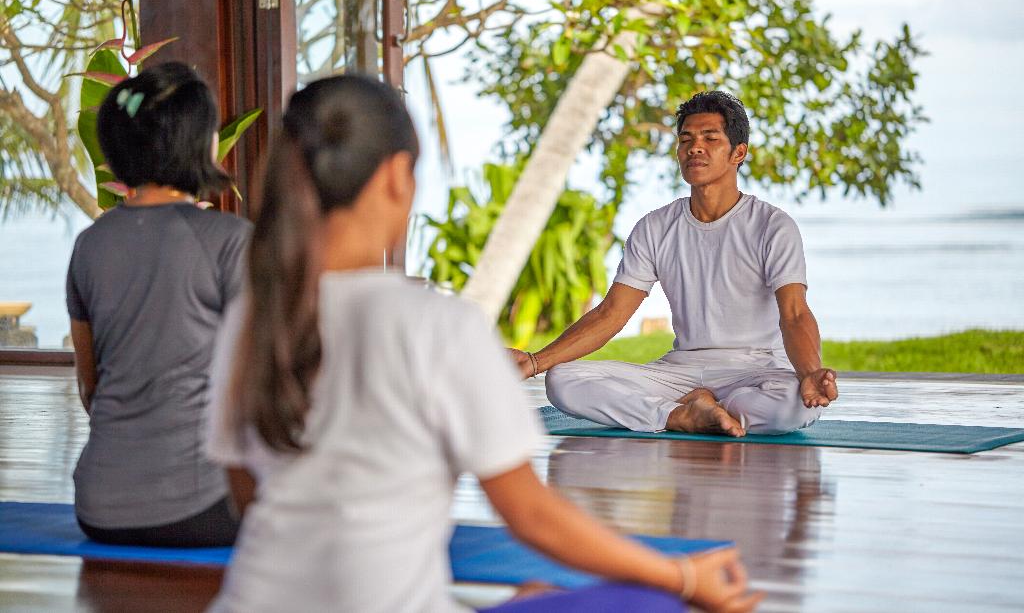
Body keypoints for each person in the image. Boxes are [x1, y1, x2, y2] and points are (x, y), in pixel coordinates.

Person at [203, 75, 761, 613]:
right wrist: (683, 576)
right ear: (398, 177)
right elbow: (533, 517)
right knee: (650, 601)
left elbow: (248, 494)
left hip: (247, 600)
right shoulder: (436, 324)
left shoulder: (254, 317)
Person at [511, 91, 838, 437]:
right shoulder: (655, 227)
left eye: (710, 139)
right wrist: (535, 362)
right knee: (563, 380)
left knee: (791, 407)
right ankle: (682, 416)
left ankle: (699, 408)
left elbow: (795, 314)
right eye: (686, 140)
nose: (695, 148)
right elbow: (612, 314)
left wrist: (809, 373)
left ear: (738, 153)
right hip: (680, 371)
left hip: (755, 369)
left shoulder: (772, 225)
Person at [66, 62, 251, 547]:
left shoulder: (89, 244)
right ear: (201, 143)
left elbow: (92, 389)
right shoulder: (231, 241)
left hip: (98, 507)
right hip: (206, 509)